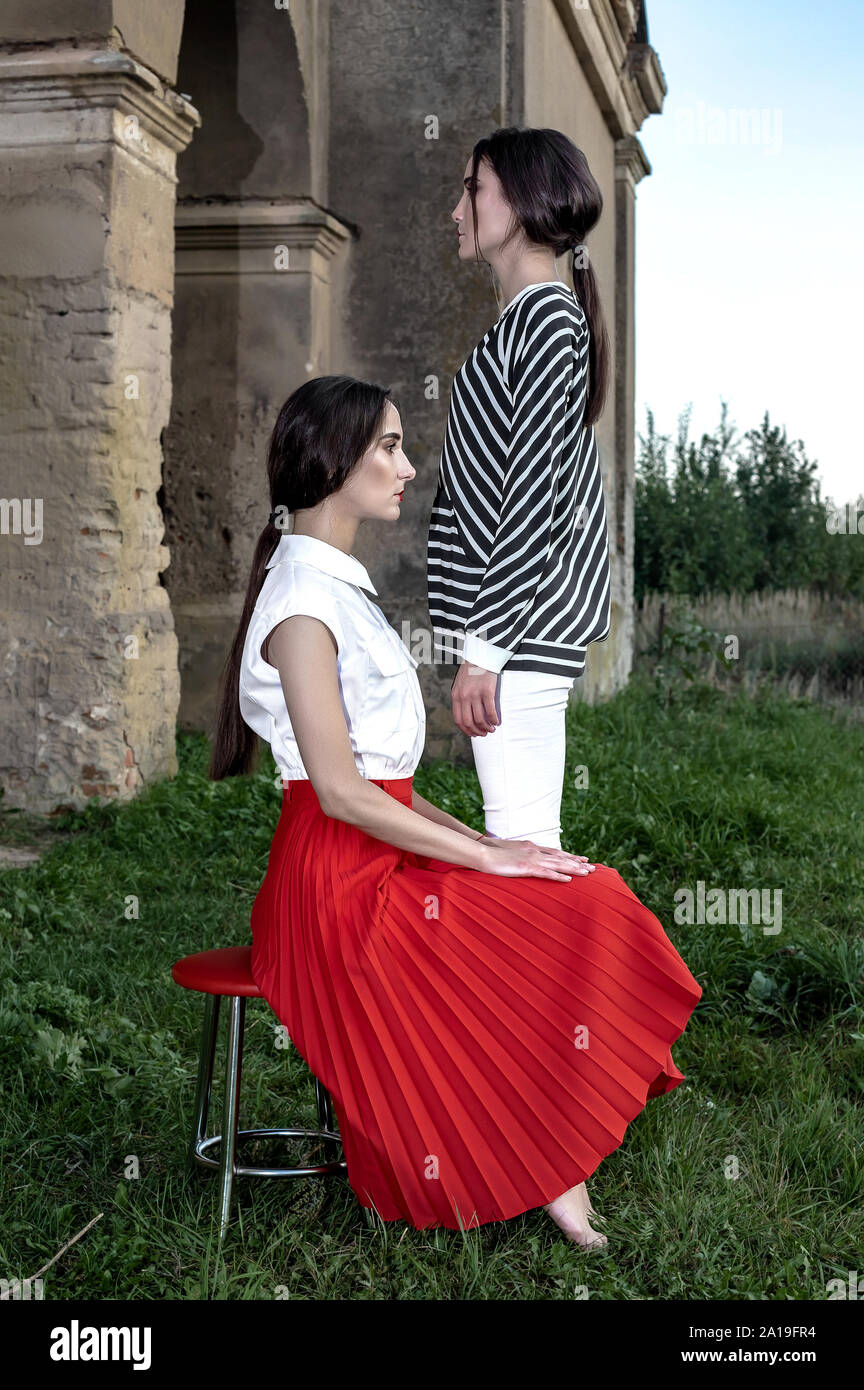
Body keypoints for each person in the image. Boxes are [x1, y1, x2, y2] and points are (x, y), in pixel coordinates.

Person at [209, 375, 702, 1249]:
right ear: (333, 458)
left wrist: (486, 841)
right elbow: (339, 792)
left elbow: (384, 783)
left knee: (577, 892)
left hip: (374, 850)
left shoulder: (333, 586)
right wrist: (485, 862)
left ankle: (553, 1149)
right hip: (331, 891)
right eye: (389, 447)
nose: (406, 465)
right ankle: (551, 1162)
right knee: (533, 913)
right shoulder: (301, 604)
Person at [427, 127, 612, 851]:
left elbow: (533, 497)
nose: (456, 209)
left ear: (524, 200)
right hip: (521, 638)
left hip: (520, 637)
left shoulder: (543, 319)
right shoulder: (534, 319)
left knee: (527, 853)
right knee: (529, 851)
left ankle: (604, 964)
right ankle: (579, 964)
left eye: (471, 188)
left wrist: (485, 648)